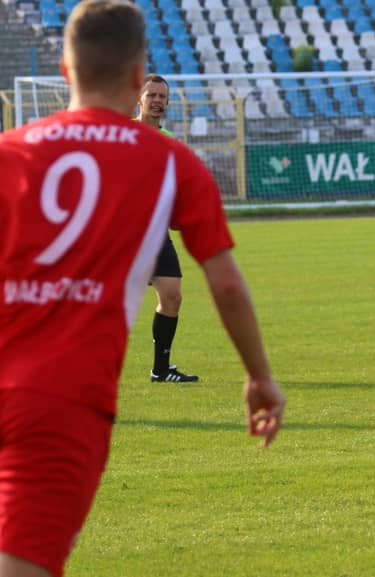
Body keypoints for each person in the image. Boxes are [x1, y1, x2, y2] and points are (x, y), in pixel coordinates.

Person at [0, 3, 285, 577]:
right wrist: (259, 376)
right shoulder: (171, 162)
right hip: (58, 401)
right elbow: (226, 283)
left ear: (65, 70)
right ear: (137, 78)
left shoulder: (10, 150)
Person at [134, 73, 197, 383]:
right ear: (139, 98)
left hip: (156, 232)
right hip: (121, 234)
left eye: (162, 96)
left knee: (172, 297)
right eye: (152, 95)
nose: (157, 101)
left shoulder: (170, 140)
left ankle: (160, 370)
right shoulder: (123, 134)